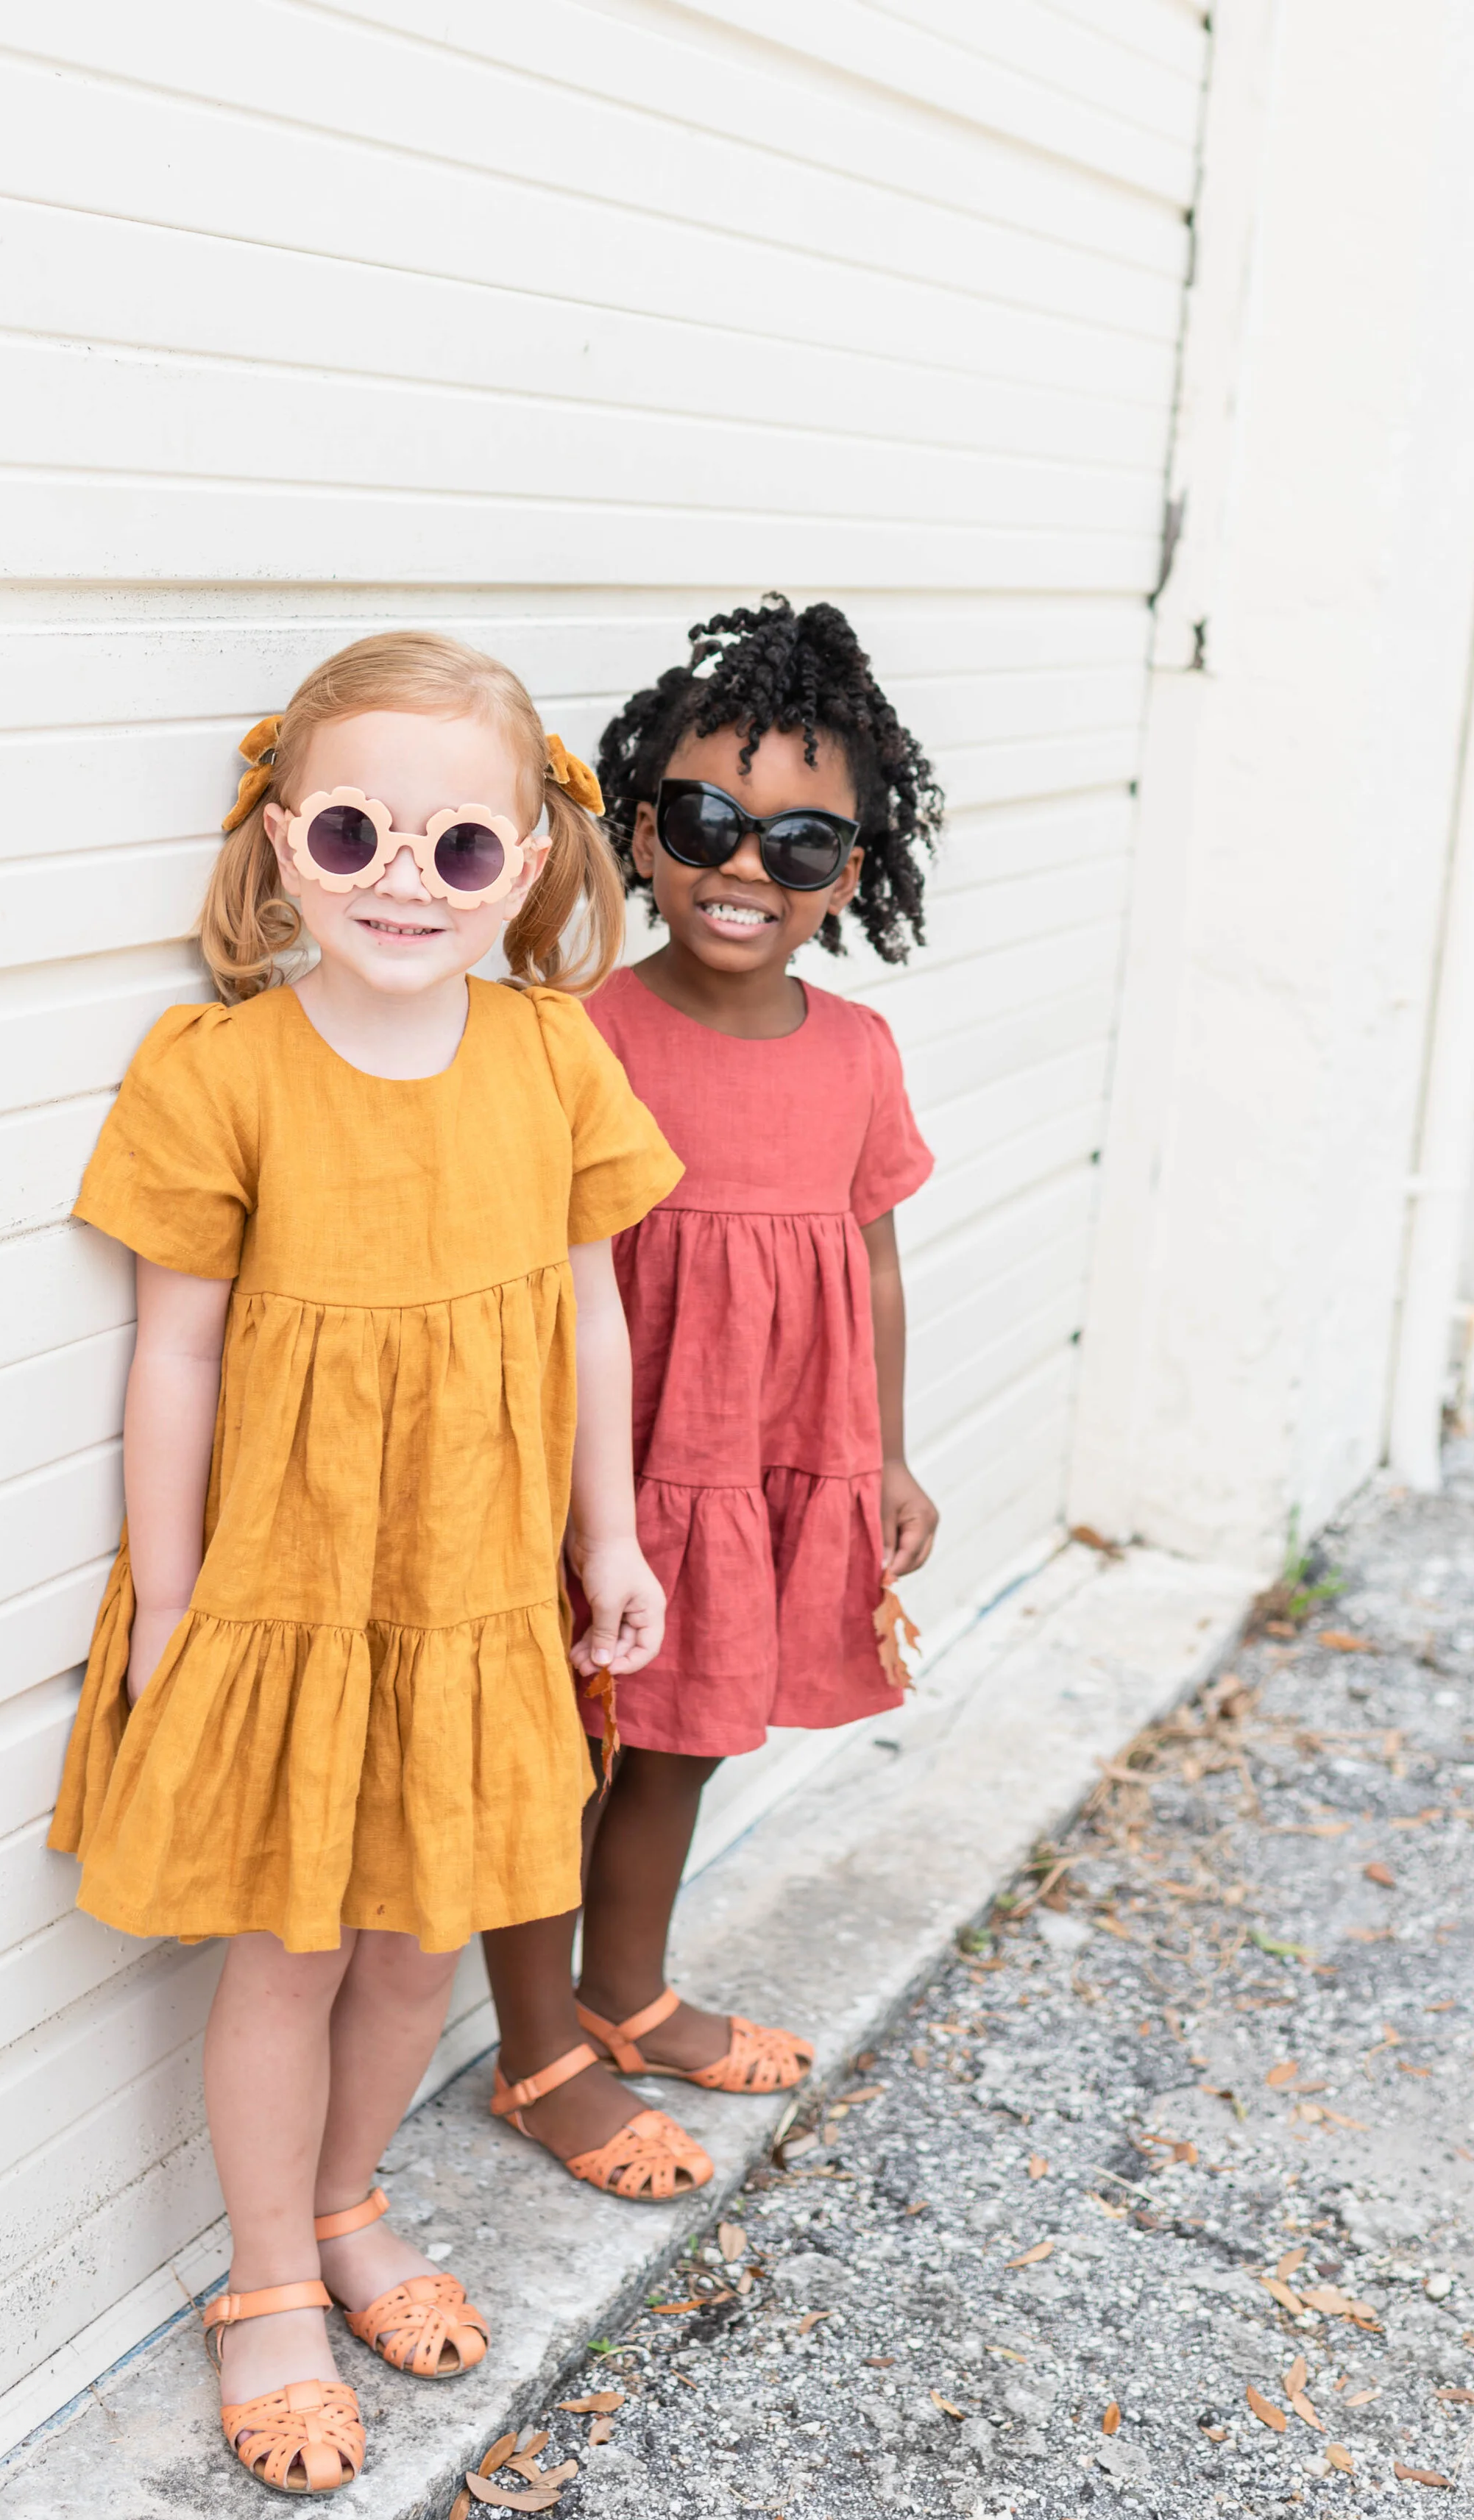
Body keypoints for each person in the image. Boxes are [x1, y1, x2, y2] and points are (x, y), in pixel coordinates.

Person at [47, 632, 687, 2499]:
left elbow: (591, 1319)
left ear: (532, 864)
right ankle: (263, 2287)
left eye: (460, 849)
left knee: (419, 1943)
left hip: (475, 1591)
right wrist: (172, 1605)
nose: (407, 880)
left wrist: (613, 1533)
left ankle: (347, 2201)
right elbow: (172, 1351)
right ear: (278, 845)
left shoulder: (549, 1056)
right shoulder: (221, 1070)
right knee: (290, 1942)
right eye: (355, 831)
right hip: (295, 1594)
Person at [481, 596, 940, 2163]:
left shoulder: (859, 1052)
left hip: (748, 1470)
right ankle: (538, 2056)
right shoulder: (576, 1039)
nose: (745, 867)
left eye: (801, 844)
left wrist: (881, 1456)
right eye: (704, 821)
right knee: (558, 1757)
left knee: (676, 1744)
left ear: (850, 876)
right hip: (599, 1474)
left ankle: (622, 1989)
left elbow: (867, 1259)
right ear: (642, 829)